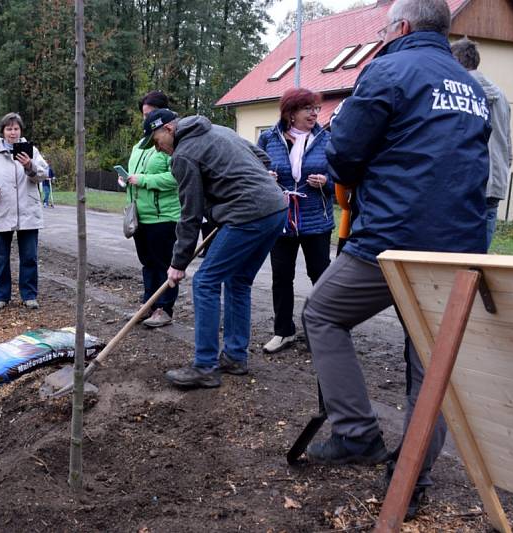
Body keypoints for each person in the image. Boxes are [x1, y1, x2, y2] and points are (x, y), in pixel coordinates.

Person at [300, 0, 491, 518]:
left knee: (321, 314)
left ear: (401, 27)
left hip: (393, 241)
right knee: (431, 368)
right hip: (463, 248)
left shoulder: (386, 68)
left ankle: (356, 432)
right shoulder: (472, 86)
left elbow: (343, 155)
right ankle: (410, 484)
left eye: (385, 29)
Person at [139, 108, 286, 388]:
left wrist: (178, 263)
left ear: (169, 129)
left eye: (156, 141)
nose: (158, 149)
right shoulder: (219, 130)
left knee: (205, 282)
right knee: (238, 281)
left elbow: (190, 215)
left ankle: (205, 365)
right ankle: (234, 356)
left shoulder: (183, 155)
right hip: (275, 209)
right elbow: (263, 159)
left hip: (248, 214)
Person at [257, 88, 334, 353]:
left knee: (321, 278)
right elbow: (254, 171)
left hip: (316, 221)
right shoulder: (268, 138)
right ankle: (283, 331)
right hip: (281, 219)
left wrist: (327, 182)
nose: (314, 114)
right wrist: (266, 177)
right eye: (307, 109)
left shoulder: (327, 139)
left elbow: (341, 177)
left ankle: (323, 332)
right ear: (290, 113)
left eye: (316, 109)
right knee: (281, 277)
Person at [0, 112, 49, 310]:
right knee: (0, 256)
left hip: (27, 210)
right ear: (3, 131)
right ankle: (1, 296)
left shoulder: (31, 150)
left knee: (29, 256)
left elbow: (44, 174)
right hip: (2, 210)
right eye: (9, 129)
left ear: (21, 131)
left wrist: (29, 165)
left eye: (16, 128)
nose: (13, 132)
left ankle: (29, 295)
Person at [451, 37, 513, 250]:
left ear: (456, 62)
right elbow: (507, 141)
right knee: (481, 248)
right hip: (495, 179)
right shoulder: (502, 96)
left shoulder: (459, 91)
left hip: (468, 177)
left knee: (457, 242)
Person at [126, 91, 181, 328]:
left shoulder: (174, 141)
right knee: (148, 263)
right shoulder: (140, 145)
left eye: (149, 115)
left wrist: (144, 180)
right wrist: (128, 180)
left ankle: (164, 308)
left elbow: (177, 177)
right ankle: (148, 304)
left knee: (164, 264)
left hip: (164, 215)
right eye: (143, 115)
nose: (145, 120)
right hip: (142, 215)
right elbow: (136, 174)